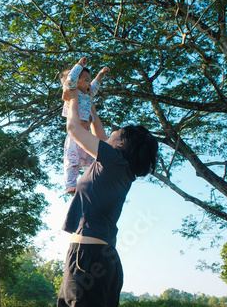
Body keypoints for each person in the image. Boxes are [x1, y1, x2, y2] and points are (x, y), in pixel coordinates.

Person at [57, 65, 159, 307]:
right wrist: (88, 104)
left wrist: (72, 99)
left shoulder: (112, 161)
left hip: (86, 259)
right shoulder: (119, 167)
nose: (111, 132)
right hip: (101, 259)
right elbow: (99, 136)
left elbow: (73, 129)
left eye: (117, 132)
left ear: (121, 145)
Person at [61, 57, 110, 194]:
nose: (90, 84)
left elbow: (94, 87)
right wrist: (78, 66)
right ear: (77, 82)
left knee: (91, 163)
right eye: (86, 80)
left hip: (87, 136)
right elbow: (70, 80)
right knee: (72, 161)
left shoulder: (87, 96)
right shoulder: (73, 92)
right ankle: (70, 184)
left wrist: (100, 75)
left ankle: (92, 183)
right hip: (75, 138)